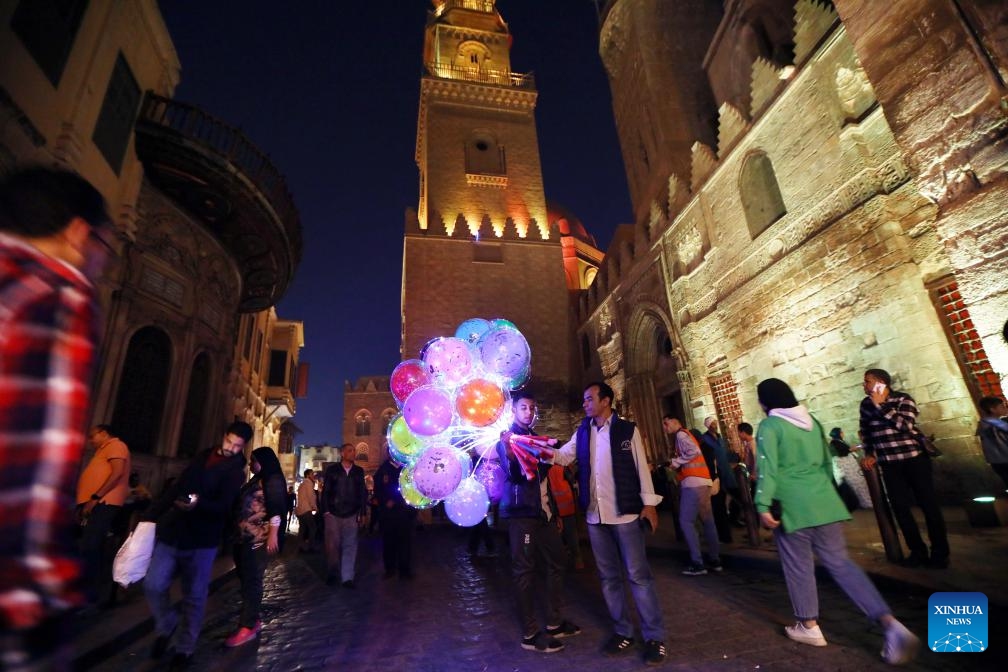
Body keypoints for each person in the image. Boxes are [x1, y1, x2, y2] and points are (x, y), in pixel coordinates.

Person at [0, 166, 110, 671]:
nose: (100, 263)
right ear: (77, 232)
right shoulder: (56, 296)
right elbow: (31, 471)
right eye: (103, 247)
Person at [754, 378, 920, 665]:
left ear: (765, 401)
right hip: (825, 502)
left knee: (798, 566)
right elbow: (824, 462)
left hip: (794, 505)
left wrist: (762, 503)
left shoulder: (770, 426)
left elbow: (767, 468)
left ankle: (808, 626)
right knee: (842, 565)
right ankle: (890, 623)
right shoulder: (812, 421)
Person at [554, 382, 666, 666]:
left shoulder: (627, 430)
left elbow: (642, 467)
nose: (585, 404)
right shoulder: (583, 432)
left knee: (638, 576)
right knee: (608, 578)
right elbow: (562, 455)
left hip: (625, 515)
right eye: (584, 400)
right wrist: (533, 447)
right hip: (595, 516)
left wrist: (649, 505)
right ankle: (622, 631)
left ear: (605, 401)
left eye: (589, 399)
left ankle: (654, 638)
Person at [143, 421, 252, 670]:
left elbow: (223, 507)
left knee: (194, 596)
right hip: (174, 532)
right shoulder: (203, 456)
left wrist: (198, 505)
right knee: (153, 583)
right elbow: (177, 487)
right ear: (224, 436)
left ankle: (185, 647)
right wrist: (151, 514)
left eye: (237, 446)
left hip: (202, 540)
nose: (231, 449)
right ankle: (166, 623)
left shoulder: (236, 472)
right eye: (229, 442)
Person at [498, 391, 581, 654]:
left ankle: (555, 622)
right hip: (522, 514)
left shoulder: (536, 439)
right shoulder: (508, 439)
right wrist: (511, 453)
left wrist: (553, 511)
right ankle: (530, 632)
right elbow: (514, 473)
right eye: (523, 407)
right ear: (514, 410)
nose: (528, 411)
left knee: (558, 560)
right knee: (525, 570)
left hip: (543, 513)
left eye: (532, 407)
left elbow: (548, 475)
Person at [859, 368, 949, 568]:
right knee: (900, 508)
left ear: (881, 382)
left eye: (867, 381)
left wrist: (881, 405)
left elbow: (905, 425)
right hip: (889, 463)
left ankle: (940, 553)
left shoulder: (902, 399)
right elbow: (866, 432)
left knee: (928, 505)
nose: (863, 385)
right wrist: (870, 453)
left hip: (914, 460)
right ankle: (917, 551)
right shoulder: (865, 405)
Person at [225, 447, 286, 648]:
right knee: (246, 580)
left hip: (258, 538)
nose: (251, 464)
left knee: (252, 581)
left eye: (254, 460)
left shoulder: (273, 479)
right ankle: (253, 618)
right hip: (242, 538)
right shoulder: (256, 479)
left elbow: (277, 507)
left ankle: (248, 625)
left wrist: (274, 535)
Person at [76, 424, 131, 606]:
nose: (91, 440)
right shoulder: (103, 449)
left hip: (104, 502)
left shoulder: (115, 445)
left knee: (91, 546)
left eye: (93, 436)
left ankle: (89, 593)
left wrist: (95, 497)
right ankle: (87, 589)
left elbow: (116, 473)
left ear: (104, 433)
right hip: (99, 503)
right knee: (91, 546)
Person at [663, 415, 720, 576]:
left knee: (686, 521)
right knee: (708, 521)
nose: (665, 428)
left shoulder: (680, 435)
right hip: (704, 481)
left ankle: (697, 562)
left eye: (666, 424)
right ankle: (715, 560)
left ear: (675, 422)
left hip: (693, 483)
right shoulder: (687, 434)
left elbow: (693, 451)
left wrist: (676, 462)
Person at [320, 443, 367, 587]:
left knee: (350, 545)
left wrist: (362, 511)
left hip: (351, 513)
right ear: (342, 453)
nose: (353, 453)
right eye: (350, 450)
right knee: (332, 546)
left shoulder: (358, 471)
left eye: (354, 451)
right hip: (333, 513)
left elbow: (362, 493)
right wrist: (326, 511)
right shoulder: (332, 470)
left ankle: (347, 577)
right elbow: (326, 491)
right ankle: (333, 574)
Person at [373, 457, 417, 579]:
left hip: (404, 512)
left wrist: (399, 501)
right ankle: (390, 569)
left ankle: (404, 570)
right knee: (389, 543)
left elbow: (411, 488)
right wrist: (385, 501)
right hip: (388, 514)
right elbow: (378, 489)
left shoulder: (407, 468)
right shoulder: (383, 469)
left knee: (405, 543)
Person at [700, 416, 736, 542]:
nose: (715, 425)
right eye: (713, 423)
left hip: (725, 471)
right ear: (708, 426)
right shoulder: (705, 439)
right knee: (719, 502)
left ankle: (732, 518)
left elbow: (724, 453)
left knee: (733, 494)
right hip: (716, 474)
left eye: (715, 423)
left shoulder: (719, 437)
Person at [829, 428, 872, 510]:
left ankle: (865, 502)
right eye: (841, 432)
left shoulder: (840, 441)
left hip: (851, 465)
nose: (843, 433)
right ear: (838, 433)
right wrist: (858, 446)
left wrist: (858, 446)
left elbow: (849, 448)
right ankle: (864, 503)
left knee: (860, 483)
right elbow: (846, 450)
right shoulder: (834, 442)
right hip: (847, 467)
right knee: (856, 483)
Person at [977, 396, 1008, 489]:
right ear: (992, 409)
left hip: (996, 461)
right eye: (1002, 407)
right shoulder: (997, 424)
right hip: (1005, 459)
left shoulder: (983, 423)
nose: (1005, 408)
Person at [294, 469, 318, 552]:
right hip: (306, 509)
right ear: (307, 475)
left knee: (302, 528)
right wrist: (314, 507)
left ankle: (300, 546)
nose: (313, 475)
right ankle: (311, 546)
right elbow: (310, 496)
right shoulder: (308, 483)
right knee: (313, 527)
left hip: (300, 510)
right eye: (312, 474)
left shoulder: (303, 484)